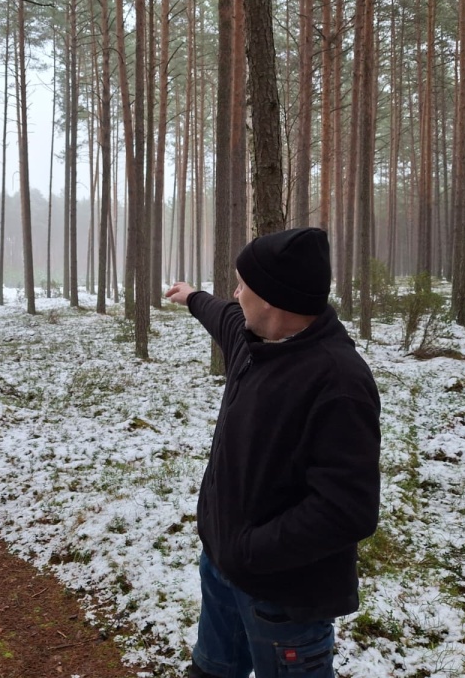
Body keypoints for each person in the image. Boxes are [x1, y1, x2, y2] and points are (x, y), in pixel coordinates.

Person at [165, 227, 381, 678]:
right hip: (222, 571)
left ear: (271, 299)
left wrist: (248, 550)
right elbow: (219, 311)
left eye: (243, 284)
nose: (235, 292)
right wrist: (190, 296)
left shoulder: (339, 383)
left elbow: (348, 510)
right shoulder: (251, 340)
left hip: (284, 600)